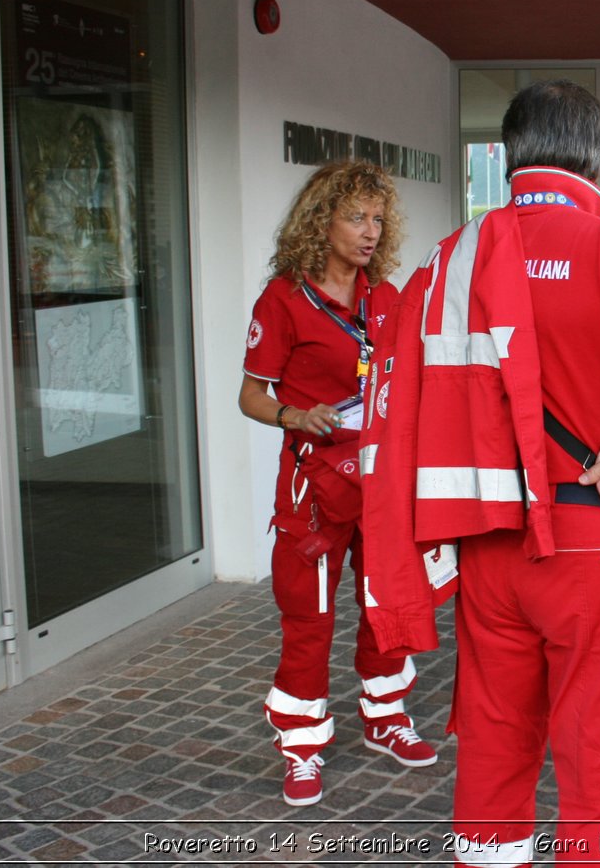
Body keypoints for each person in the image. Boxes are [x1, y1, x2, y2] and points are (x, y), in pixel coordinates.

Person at [357, 80, 600, 865]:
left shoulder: (446, 262)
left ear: (510, 155)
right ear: (597, 160)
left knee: (494, 759)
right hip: (593, 545)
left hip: (489, 546)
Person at [237, 160, 435, 809]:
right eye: (357, 217)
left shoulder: (386, 294)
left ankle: (384, 717)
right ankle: (300, 747)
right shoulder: (284, 298)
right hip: (314, 486)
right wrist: (295, 414)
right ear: (321, 221)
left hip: (381, 484)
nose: (371, 231)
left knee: (387, 606)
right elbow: (251, 396)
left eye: (378, 219)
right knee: (308, 618)